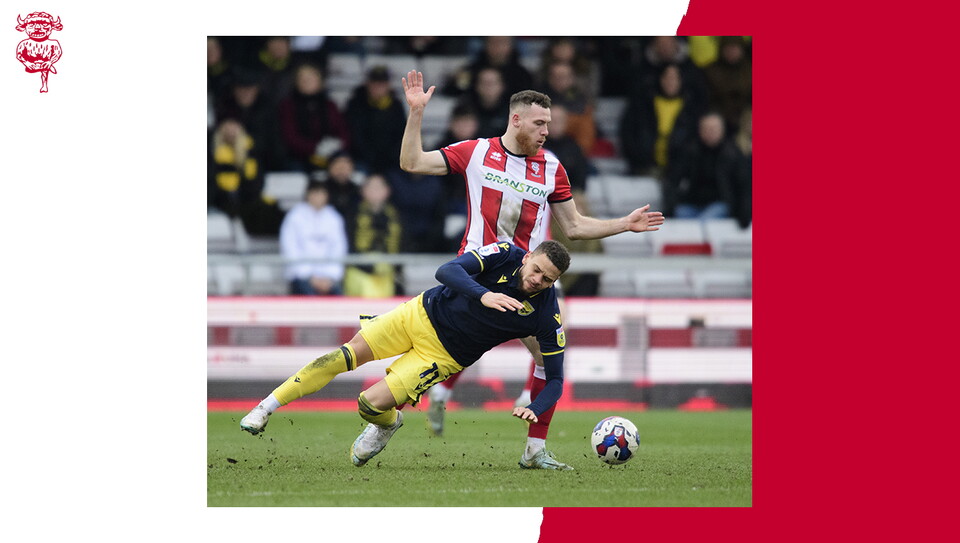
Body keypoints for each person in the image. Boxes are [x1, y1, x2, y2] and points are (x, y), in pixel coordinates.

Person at [397, 70, 664, 469]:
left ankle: (534, 448)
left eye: (548, 124)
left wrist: (624, 224)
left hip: (528, 278)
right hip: (476, 275)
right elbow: (412, 162)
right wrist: (416, 112)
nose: (546, 131)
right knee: (444, 350)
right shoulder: (476, 152)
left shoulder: (552, 169)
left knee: (548, 355)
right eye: (539, 123)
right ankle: (395, 411)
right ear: (516, 119)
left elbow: (574, 227)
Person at [240, 240, 573, 470]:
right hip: (418, 314)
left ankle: (388, 424)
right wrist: (483, 295)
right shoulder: (504, 253)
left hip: (442, 356)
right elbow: (447, 271)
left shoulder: (546, 314)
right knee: (344, 355)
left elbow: (556, 378)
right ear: (528, 257)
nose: (538, 280)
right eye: (536, 270)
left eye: (548, 279)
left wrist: (535, 408)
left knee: (369, 405)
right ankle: (265, 407)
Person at [619, 63, 703, 177]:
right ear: (660, 79)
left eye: (674, 78)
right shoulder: (643, 103)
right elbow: (628, 132)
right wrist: (638, 158)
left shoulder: (691, 107)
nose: (670, 82)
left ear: (681, 81)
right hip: (644, 168)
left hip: (679, 172)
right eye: (667, 77)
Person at [663, 111, 746, 220]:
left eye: (714, 128)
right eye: (706, 128)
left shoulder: (732, 154)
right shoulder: (690, 152)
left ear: (722, 130)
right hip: (691, 203)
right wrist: (672, 205)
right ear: (700, 130)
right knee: (679, 215)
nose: (710, 132)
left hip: (721, 203)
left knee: (705, 220)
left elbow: (743, 184)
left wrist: (742, 211)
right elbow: (673, 180)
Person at [279, 180, 348, 295]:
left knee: (340, 296)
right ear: (308, 194)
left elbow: (338, 249)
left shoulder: (334, 218)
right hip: (301, 275)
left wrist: (329, 276)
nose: (318, 197)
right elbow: (290, 249)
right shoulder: (294, 216)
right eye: (315, 193)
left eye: (322, 193)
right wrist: (310, 277)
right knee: (308, 295)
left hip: (328, 277)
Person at [277, 63, 351, 171]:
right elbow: (290, 137)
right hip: (298, 157)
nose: (308, 82)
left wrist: (336, 145)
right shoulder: (288, 106)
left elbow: (343, 131)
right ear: (296, 82)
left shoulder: (330, 105)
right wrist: (316, 148)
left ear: (320, 81)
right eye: (303, 79)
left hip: (330, 156)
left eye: (311, 78)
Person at [343, 173, 404, 298]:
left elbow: (402, 245)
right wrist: (368, 266)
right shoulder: (352, 213)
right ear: (363, 191)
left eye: (379, 187)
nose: (375, 191)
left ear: (387, 191)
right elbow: (347, 245)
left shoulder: (396, 215)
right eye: (371, 187)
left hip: (387, 270)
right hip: (358, 269)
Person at [345, 65, 408, 176]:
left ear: (388, 85)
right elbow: (355, 135)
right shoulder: (356, 104)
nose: (378, 88)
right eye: (375, 84)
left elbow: (401, 134)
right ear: (368, 84)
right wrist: (370, 157)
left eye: (382, 84)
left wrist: (390, 157)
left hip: (391, 161)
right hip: (361, 159)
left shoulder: (396, 105)